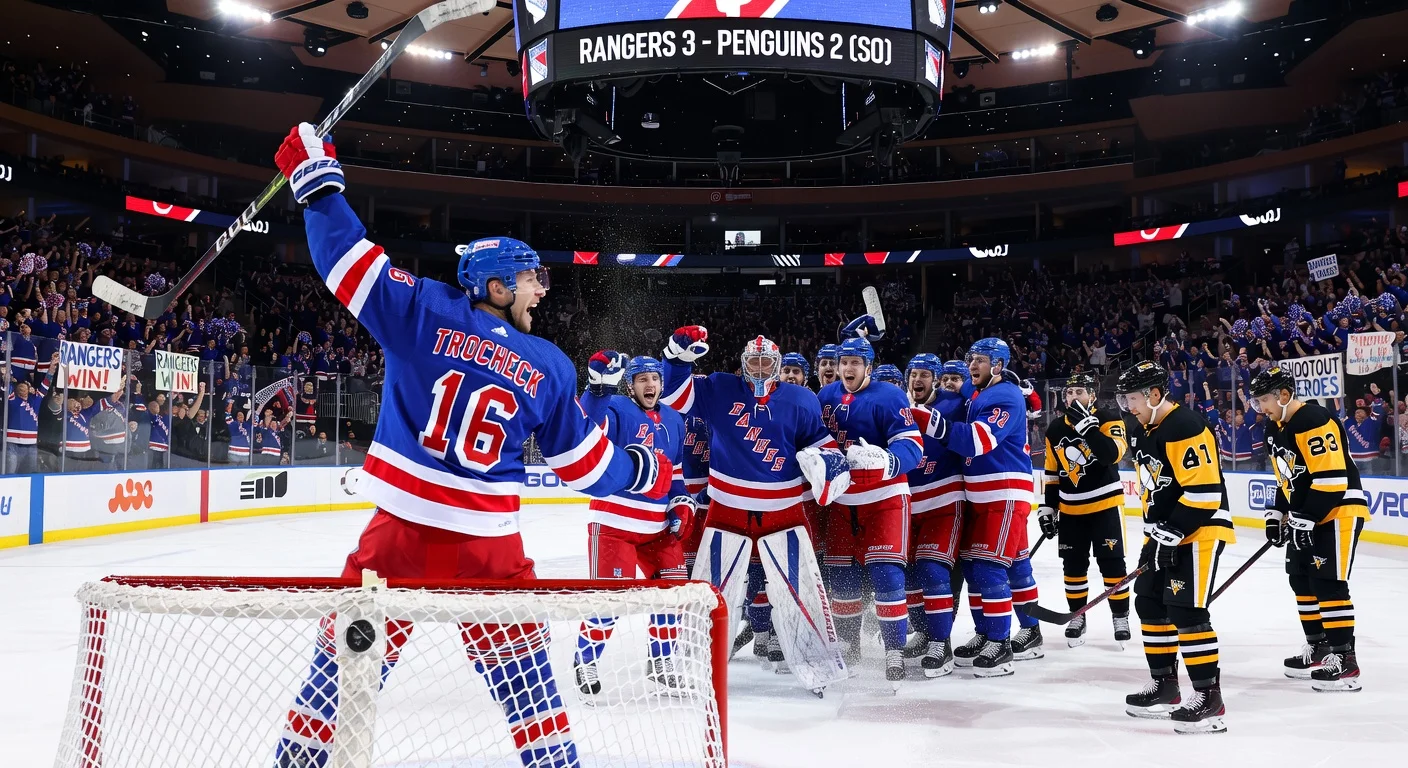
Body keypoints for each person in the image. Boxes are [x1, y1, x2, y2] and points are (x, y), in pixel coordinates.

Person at [270, 122, 669, 768]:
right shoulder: (546, 363)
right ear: (495, 285)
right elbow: (588, 468)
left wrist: (318, 183)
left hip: (395, 542)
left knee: (339, 683)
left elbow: (345, 260)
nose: (542, 291)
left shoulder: (422, 309)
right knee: (532, 699)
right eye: (531, 279)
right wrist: (640, 464)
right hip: (489, 554)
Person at [660, 329, 850, 695]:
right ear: (743, 365)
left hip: (784, 511)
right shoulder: (718, 387)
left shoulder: (801, 399)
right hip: (726, 508)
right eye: (754, 362)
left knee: (801, 588)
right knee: (710, 589)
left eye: (767, 362)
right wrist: (676, 356)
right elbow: (673, 393)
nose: (760, 369)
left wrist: (833, 467)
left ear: (778, 366)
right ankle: (696, 663)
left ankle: (816, 665)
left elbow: (823, 445)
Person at [1116, 360, 1234, 734]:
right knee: (1149, 600)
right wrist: (1158, 535)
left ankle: (1208, 698)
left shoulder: (1185, 426)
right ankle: (1165, 686)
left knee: (1188, 612)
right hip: (1164, 531)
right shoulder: (1142, 429)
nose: (1128, 406)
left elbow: (1205, 493)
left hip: (1199, 530)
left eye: (1132, 398)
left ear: (1154, 394)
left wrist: (1172, 533)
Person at [573, 353, 693, 695]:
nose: (650, 384)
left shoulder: (674, 419)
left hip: (656, 530)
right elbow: (588, 426)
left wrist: (681, 504)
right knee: (612, 600)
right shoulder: (617, 408)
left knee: (674, 592)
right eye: (642, 379)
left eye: (654, 378)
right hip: (614, 526)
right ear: (630, 384)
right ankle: (585, 660)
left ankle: (661, 660)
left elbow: (677, 474)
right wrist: (597, 390)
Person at [922, 339, 1037, 676]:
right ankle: (999, 632)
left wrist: (930, 422)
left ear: (998, 365)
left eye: (981, 361)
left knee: (988, 566)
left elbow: (977, 440)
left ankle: (1000, 645)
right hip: (980, 494)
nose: (972, 365)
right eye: (971, 359)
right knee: (990, 566)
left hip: (1004, 491)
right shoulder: (976, 394)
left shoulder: (1004, 395)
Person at [1250, 366, 1368, 692]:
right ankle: (1319, 648)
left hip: (1338, 509)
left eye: (1265, 401)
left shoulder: (1314, 420)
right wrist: (1276, 514)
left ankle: (1346, 660)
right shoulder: (1275, 428)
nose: (1261, 408)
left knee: (1328, 582)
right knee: (1300, 578)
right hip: (1308, 513)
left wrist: (1305, 517)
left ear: (1284, 395)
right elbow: (1287, 479)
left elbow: (1332, 479)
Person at [817, 337, 923, 682]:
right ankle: (849, 645)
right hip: (841, 500)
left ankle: (894, 650)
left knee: (886, 575)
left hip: (884, 498)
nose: (847, 368)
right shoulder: (826, 396)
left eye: (855, 363)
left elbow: (912, 446)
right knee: (843, 580)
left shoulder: (890, 396)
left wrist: (890, 461)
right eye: (843, 362)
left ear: (869, 367)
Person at [1039, 372, 1131, 648]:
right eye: (1069, 393)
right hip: (1071, 510)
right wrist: (1048, 507)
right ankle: (1078, 615)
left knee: (1112, 564)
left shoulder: (1109, 419)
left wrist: (1088, 428)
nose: (1073, 397)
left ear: (1092, 395)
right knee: (1073, 565)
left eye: (1079, 392)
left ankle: (1120, 616)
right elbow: (1053, 473)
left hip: (1106, 506)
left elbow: (1111, 455)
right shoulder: (1055, 429)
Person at [901, 353, 965, 678]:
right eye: (913, 373)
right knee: (909, 573)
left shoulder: (956, 403)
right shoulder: (900, 406)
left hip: (944, 501)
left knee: (931, 568)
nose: (918, 379)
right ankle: (924, 632)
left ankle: (942, 644)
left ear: (936, 379)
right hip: (910, 506)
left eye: (925, 373)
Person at [4, 351, 56, 473]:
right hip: (13, 444)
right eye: (20, 386)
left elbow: (46, 384)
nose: (23, 387)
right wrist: (6, 374)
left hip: (31, 444)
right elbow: (7, 385)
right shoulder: (13, 399)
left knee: (30, 475)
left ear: (29, 388)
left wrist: (52, 368)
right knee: (9, 474)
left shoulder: (36, 399)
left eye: (26, 385)